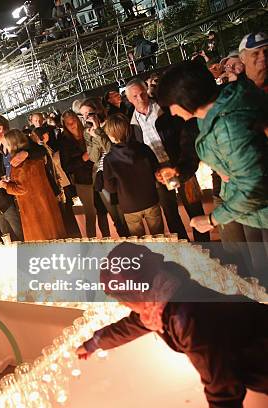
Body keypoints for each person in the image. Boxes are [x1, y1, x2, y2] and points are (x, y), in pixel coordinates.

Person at [77, 243, 268, 408]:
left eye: (122, 299)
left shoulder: (187, 320)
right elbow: (132, 325)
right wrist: (93, 343)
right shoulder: (164, 295)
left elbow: (222, 388)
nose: (122, 304)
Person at [157, 61, 268, 283]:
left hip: (258, 208)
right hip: (247, 208)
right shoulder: (223, 107)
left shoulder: (227, 125)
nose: (170, 111)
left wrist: (211, 219)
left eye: (171, 104)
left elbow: (253, 186)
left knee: (261, 271)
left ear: (185, 99)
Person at [126, 78, 202, 241]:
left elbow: (185, 135)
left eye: (142, 94)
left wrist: (184, 161)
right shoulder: (132, 125)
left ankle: (207, 248)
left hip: (182, 165)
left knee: (195, 209)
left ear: (147, 91)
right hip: (158, 174)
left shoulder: (165, 108)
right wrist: (152, 172)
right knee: (171, 216)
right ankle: (185, 250)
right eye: (135, 97)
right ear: (129, 99)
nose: (140, 99)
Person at [103, 113, 164, 236]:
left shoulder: (109, 159)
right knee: (159, 237)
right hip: (150, 199)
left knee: (138, 241)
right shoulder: (144, 149)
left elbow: (110, 187)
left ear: (112, 136)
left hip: (129, 204)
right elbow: (156, 171)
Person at [0, 129, 66, 241]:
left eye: (5, 142)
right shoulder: (35, 159)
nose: (3, 145)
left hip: (34, 211)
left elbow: (22, 189)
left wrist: (7, 186)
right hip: (46, 204)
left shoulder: (20, 164)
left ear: (12, 143)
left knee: (42, 243)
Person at [80, 98, 129, 238]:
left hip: (118, 171)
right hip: (102, 176)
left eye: (88, 113)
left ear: (97, 110)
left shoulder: (110, 124)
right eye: (82, 115)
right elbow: (94, 157)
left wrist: (99, 131)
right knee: (115, 215)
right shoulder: (86, 132)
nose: (86, 117)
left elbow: (112, 150)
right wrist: (94, 134)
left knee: (124, 212)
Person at [60, 110, 103, 238]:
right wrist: (82, 159)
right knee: (90, 212)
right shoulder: (64, 140)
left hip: (99, 173)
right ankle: (92, 241)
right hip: (83, 179)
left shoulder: (87, 131)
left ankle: (106, 237)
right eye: (68, 124)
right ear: (65, 126)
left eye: (73, 121)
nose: (72, 125)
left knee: (102, 210)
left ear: (77, 119)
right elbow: (66, 166)